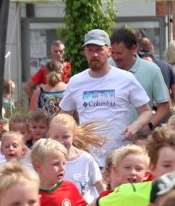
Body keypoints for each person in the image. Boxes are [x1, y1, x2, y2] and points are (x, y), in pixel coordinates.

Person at [59, 30, 154, 160]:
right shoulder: (76, 81)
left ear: (109, 51)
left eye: (99, 50)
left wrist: (135, 126)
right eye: (90, 50)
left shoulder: (126, 78)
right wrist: (72, 136)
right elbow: (64, 117)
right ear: (85, 52)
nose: (94, 54)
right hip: (87, 156)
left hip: (118, 156)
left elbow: (146, 112)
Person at [109, 29, 172, 128]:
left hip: (139, 136)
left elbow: (165, 106)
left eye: (119, 53)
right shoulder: (107, 67)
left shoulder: (152, 70)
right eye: (113, 53)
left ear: (134, 49)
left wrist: (148, 126)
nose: (115, 57)